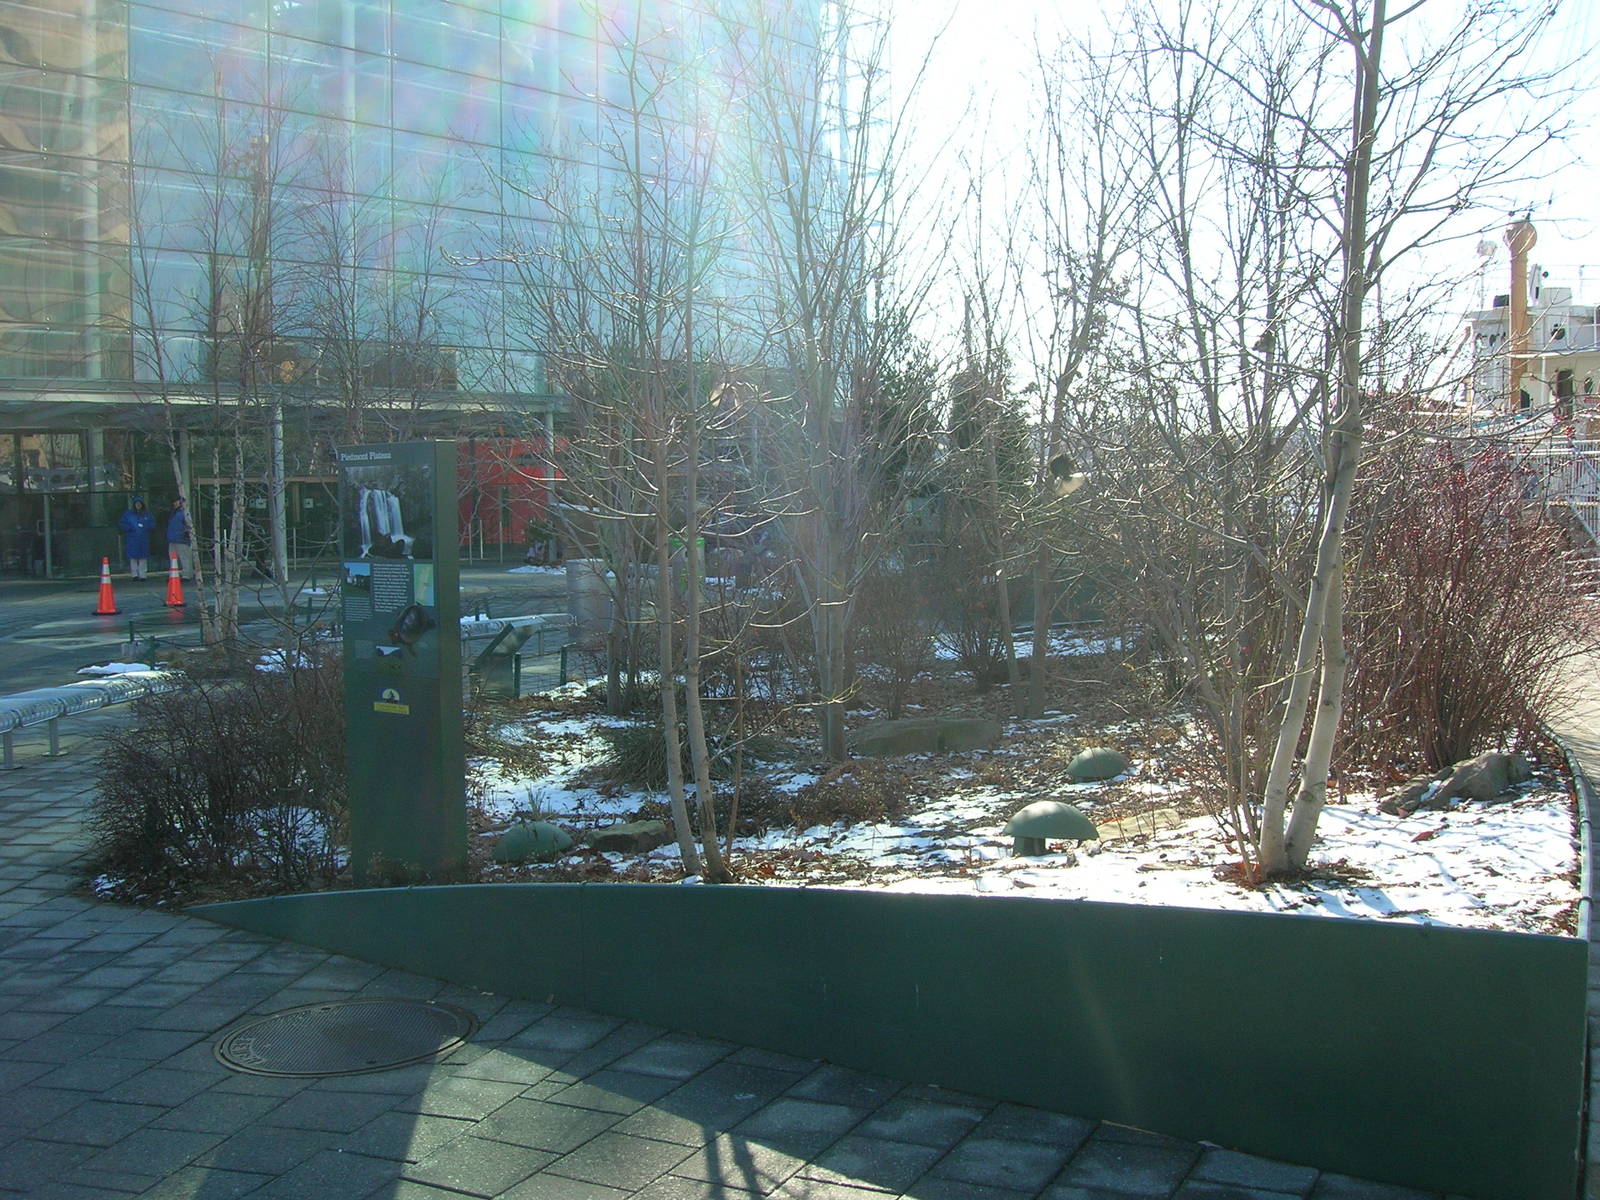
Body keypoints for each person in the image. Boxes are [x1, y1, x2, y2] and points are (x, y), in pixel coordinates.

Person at [117, 496, 155, 579]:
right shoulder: (128, 515)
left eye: (140, 504)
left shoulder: (147, 514)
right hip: (132, 539)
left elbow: (152, 524)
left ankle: (142, 574)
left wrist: (146, 527)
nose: (138, 505)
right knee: (133, 557)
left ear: (142, 504)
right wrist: (129, 528)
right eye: (136, 503)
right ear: (134, 505)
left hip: (143, 539)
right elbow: (122, 523)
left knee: (143, 557)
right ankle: (134, 575)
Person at [166, 496, 194, 580]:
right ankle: (173, 574)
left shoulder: (184, 513)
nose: (175, 503)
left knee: (184, 557)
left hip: (181, 539)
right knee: (173, 558)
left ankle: (186, 575)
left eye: (177, 501)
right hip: (172, 539)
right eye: (174, 501)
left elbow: (189, 526)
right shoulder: (173, 513)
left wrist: (186, 535)